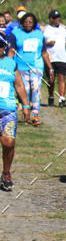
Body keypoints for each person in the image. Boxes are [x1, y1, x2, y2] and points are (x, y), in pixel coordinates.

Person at [0, 33, 31, 191]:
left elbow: (19, 85)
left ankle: (6, 173)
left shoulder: (11, 64)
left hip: (7, 109)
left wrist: (25, 105)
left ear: (4, 47)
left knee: (9, 142)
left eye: (0, 45)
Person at [10, 13, 52, 127]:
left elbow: (44, 52)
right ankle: (26, 114)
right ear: (22, 22)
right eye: (26, 22)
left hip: (36, 66)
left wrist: (50, 68)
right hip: (20, 67)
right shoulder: (15, 33)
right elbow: (11, 50)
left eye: (30, 22)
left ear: (34, 23)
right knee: (25, 91)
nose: (28, 24)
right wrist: (9, 65)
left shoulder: (39, 34)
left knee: (36, 89)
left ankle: (35, 115)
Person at [43, 9, 66, 107]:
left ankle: (61, 99)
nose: (57, 19)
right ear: (50, 19)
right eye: (55, 18)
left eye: (58, 17)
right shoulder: (46, 29)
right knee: (51, 79)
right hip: (50, 58)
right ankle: (51, 96)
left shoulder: (63, 28)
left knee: (62, 78)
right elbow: (41, 42)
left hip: (61, 57)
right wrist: (48, 43)